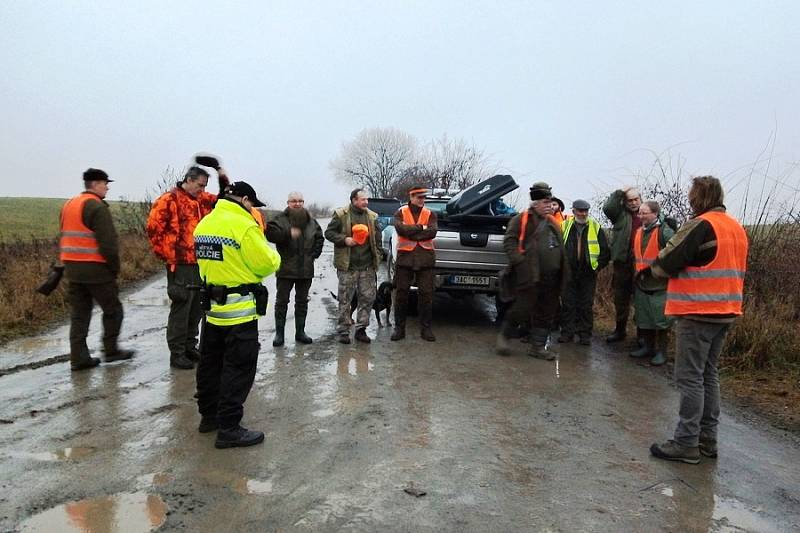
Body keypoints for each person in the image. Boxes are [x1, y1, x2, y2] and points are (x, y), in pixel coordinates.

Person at [645, 176, 748, 464]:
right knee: (708, 374)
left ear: (699, 197)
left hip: (698, 311)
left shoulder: (701, 224)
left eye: (692, 195)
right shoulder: (736, 227)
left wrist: (650, 273)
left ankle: (686, 442)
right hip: (726, 310)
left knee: (690, 378)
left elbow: (667, 261)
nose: (689, 199)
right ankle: (707, 440)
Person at [193, 181, 281, 448]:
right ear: (244, 200)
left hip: (213, 311)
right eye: (252, 204)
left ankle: (209, 418)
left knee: (210, 365)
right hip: (239, 313)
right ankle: (229, 428)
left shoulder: (205, 223)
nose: (253, 209)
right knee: (238, 368)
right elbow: (268, 262)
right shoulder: (243, 226)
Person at [147, 166, 228, 370]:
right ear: (189, 180)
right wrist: (168, 254)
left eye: (204, 186)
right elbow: (153, 228)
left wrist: (221, 174)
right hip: (181, 264)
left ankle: (191, 347)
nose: (202, 189)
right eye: (200, 185)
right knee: (182, 307)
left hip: (201, 262)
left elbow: (223, 200)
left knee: (197, 308)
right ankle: (177, 353)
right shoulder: (169, 200)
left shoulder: (201, 199)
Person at [61, 169, 134, 371]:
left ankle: (79, 358)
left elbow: (65, 236)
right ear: (94, 184)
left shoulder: (69, 204)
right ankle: (110, 351)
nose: (107, 187)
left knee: (79, 315)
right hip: (96, 269)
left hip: (72, 269)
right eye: (104, 183)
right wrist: (114, 268)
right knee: (113, 310)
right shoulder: (97, 207)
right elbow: (108, 244)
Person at [497, 182, 567, 360]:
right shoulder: (521, 220)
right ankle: (504, 337)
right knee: (522, 309)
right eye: (545, 202)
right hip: (529, 275)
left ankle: (537, 348)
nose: (549, 206)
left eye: (550, 202)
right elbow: (509, 242)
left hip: (551, 277)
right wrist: (520, 262)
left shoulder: (553, 222)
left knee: (546, 312)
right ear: (535, 204)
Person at [265, 191, 324, 347]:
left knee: (302, 301)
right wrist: (287, 233)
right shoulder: (280, 220)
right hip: (285, 268)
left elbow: (319, 237)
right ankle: (279, 334)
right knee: (281, 302)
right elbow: (270, 234)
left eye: (300, 201)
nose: (297, 203)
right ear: (288, 203)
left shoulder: (312, 222)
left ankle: (300, 332)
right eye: (293, 201)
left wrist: (314, 254)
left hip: (306, 270)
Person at [324, 188, 382, 344]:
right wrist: (344, 240)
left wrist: (379, 255)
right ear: (354, 200)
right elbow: (329, 233)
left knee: (367, 298)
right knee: (345, 298)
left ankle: (361, 330)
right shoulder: (341, 215)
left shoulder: (372, 216)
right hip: (347, 265)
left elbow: (378, 239)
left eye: (367, 199)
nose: (366, 202)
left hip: (367, 266)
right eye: (363, 199)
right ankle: (343, 330)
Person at [558, 199, 610, 345]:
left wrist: (597, 267)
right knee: (568, 304)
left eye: (585, 211)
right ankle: (567, 333)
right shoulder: (564, 225)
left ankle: (584, 335)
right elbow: (558, 249)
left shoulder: (595, 226)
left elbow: (605, 251)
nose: (583, 213)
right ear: (574, 211)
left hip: (588, 273)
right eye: (580, 211)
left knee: (586, 305)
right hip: (569, 272)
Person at [390, 185, 438, 342]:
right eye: (419, 197)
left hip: (425, 259)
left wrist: (412, 233)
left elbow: (432, 232)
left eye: (423, 197)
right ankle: (399, 329)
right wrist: (420, 228)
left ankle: (426, 329)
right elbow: (400, 229)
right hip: (405, 259)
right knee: (401, 294)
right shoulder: (400, 212)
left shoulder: (431, 214)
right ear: (411, 197)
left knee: (426, 295)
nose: (422, 200)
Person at [630, 200, 675, 366]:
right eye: (639, 213)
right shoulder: (639, 231)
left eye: (644, 213)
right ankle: (648, 347)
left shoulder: (665, 231)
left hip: (659, 284)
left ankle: (662, 352)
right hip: (642, 282)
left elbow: (674, 253)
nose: (640, 216)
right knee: (644, 317)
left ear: (655, 214)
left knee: (661, 319)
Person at [603, 186, 642, 343]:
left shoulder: (649, 214)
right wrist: (620, 192)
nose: (633, 203)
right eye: (629, 200)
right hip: (622, 263)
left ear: (640, 199)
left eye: (635, 199)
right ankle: (620, 331)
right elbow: (608, 207)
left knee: (641, 301)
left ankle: (642, 336)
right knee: (621, 299)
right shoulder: (619, 215)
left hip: (641, 265)